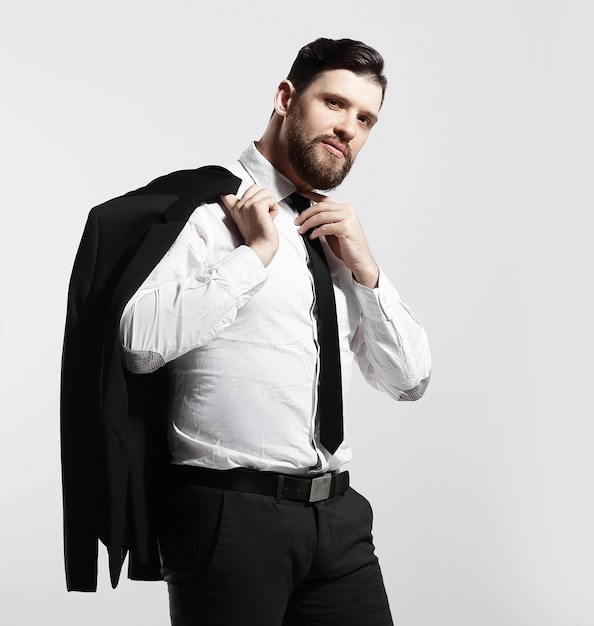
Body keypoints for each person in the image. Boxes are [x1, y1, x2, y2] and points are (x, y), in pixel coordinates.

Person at [61, 37, 431, 625]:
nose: (349, 129)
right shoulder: (208, 209)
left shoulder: (333, 236)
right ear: (286, 97)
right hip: (231, 520)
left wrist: (368, 271)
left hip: (339, 520)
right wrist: (254, 256)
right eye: (334, 104)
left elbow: (410, 380)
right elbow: (134, 343)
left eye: (365, 119)